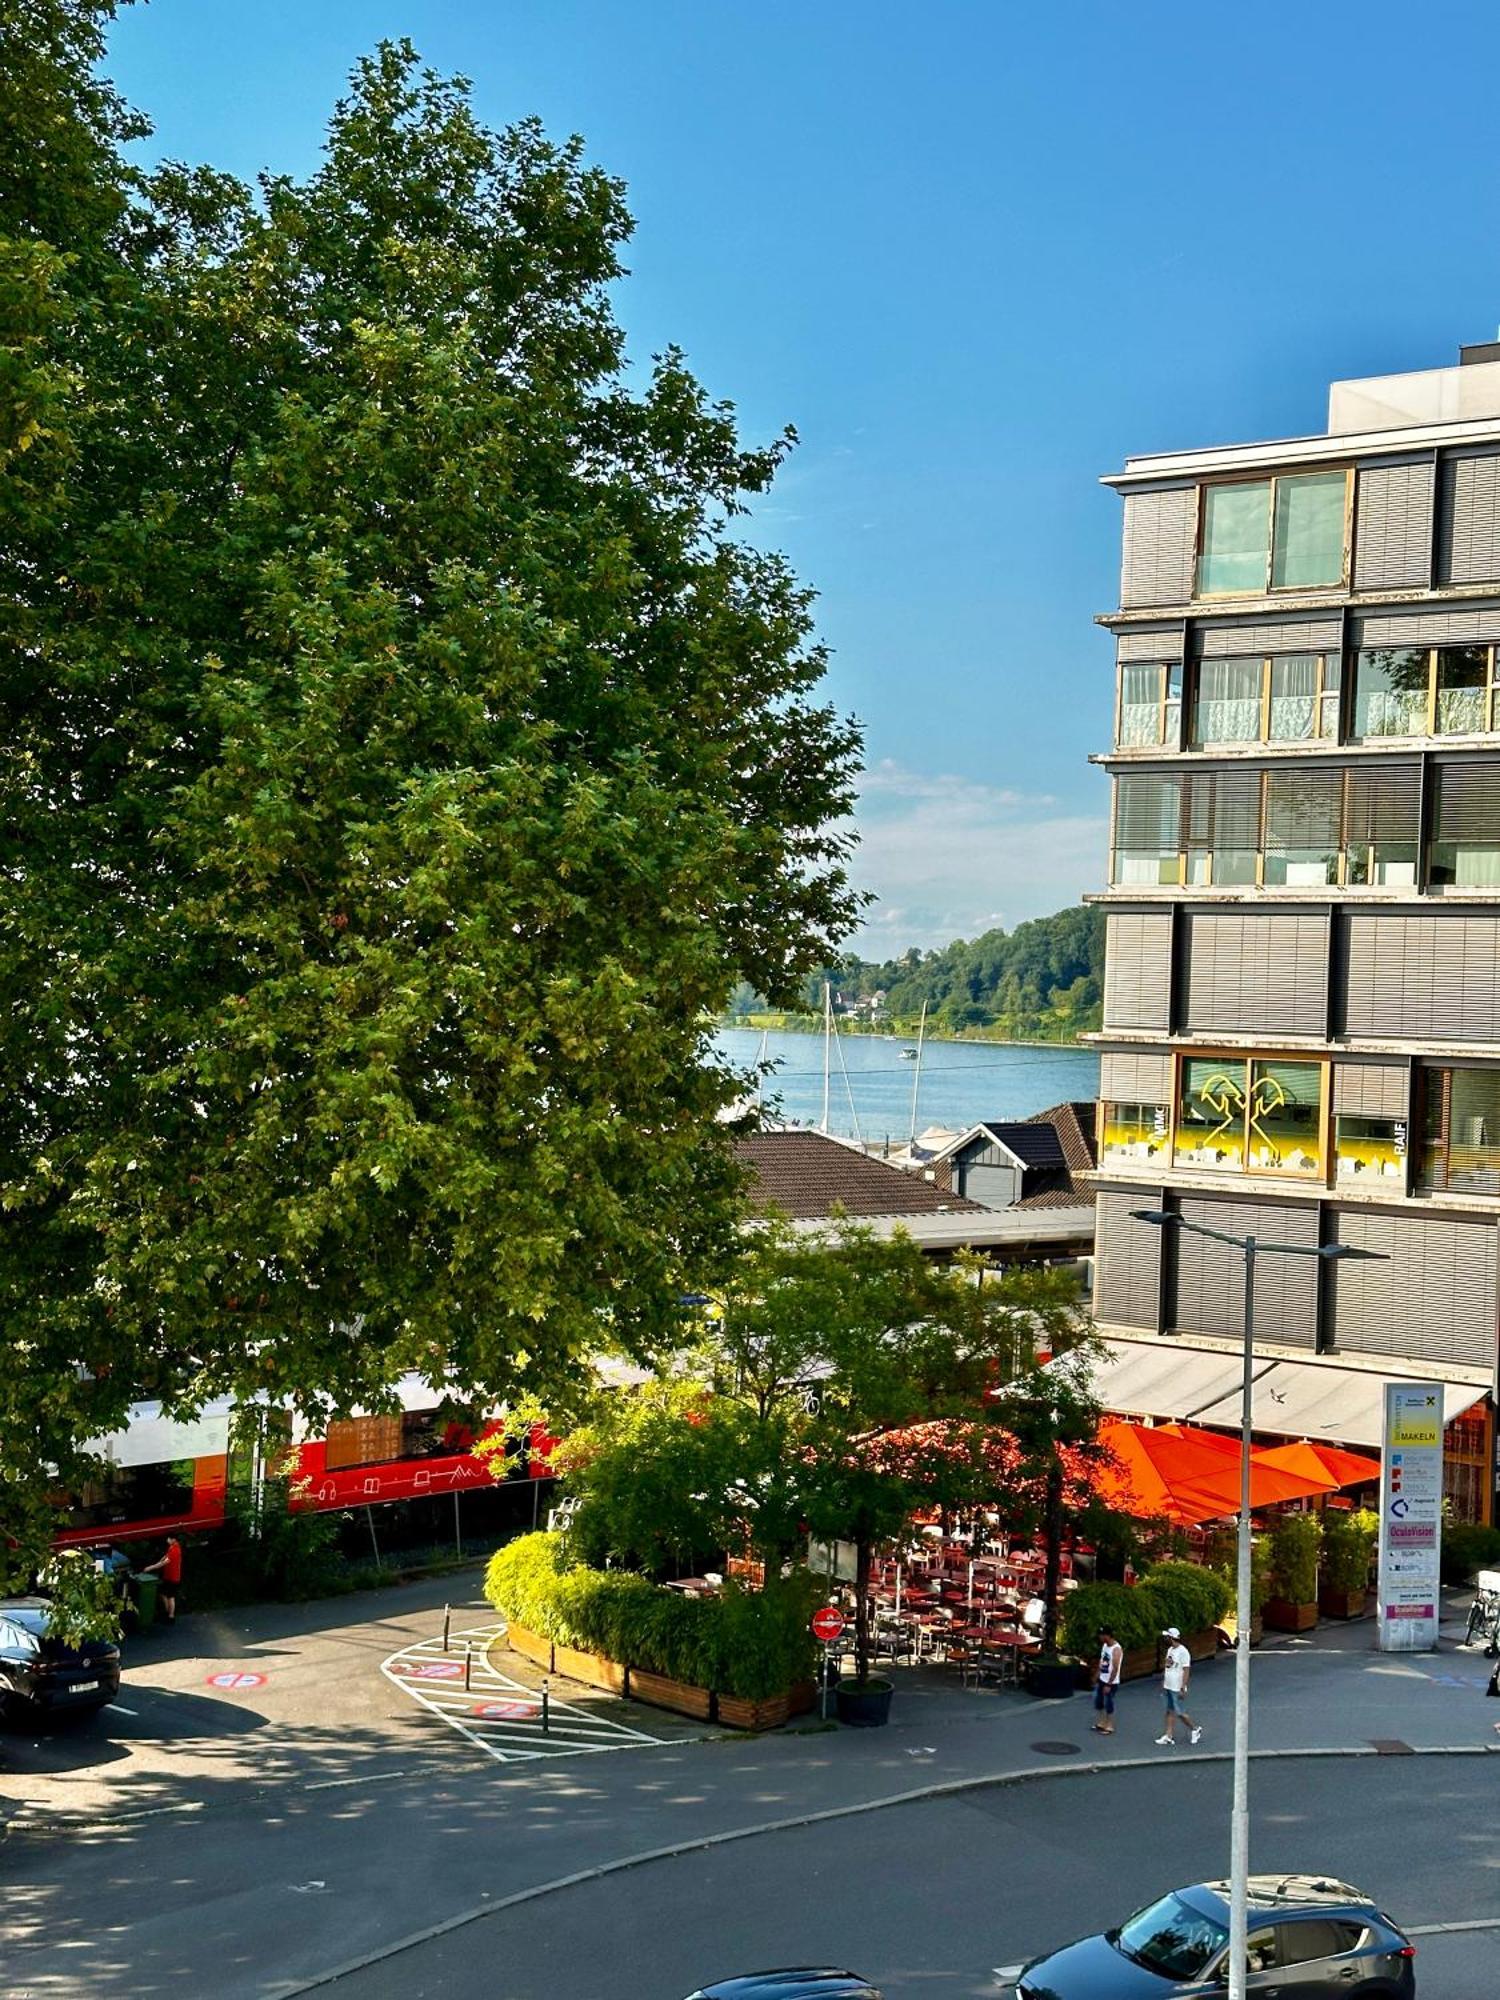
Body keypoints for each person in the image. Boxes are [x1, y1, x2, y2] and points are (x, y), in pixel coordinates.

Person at [1155, 1626, 1202, 1746]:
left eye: (1167, 1637)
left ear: (1171, 1638)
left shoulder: (1183, 1652)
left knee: (1179, 1712)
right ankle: (1168, 1735)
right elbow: (1168, 1667)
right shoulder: (1170, 1650)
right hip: (1169, 1685)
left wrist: (1183, 1687)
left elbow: (1186, 1670)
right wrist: (1163, 1681)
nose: (1165, 1639)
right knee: (1169, 1710)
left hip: (1177, 1687)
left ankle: (1195, 1729)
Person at [140, 1535, 183, 1623]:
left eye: (168, 1538)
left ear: (173, 1539)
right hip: (168, 1576)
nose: (167, 1540)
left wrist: (151, 1567)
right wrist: (157, 1562)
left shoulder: (175, 1550)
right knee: (163, 1594)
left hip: (173, 1578)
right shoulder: (172, 1547)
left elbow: (165, 1562)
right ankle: (167, 1612)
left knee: (171, 1597)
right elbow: (165, 1557)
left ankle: (171, 1617)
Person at [1091, 1625, 1123, 1734]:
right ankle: (1101, 1723)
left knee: (1109, 1702)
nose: (1100, 1637)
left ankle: (1109, 1725)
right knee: (1099, 1701)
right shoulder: (1105, 1646)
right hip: (1102, 1679)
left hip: (1111, 1682)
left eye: (1102, 1635)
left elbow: (1115, 1668)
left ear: (1107, 1635)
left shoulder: (1116, 1649)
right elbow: (1102, 1662)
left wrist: (1109, 1684)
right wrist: (1097, 1675)